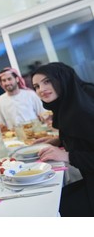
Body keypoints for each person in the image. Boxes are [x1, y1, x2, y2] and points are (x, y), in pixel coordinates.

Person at [31, 62, 94, 217]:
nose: (41, 90)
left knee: (50, 209)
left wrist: (67, 156)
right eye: (36, 86)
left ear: (62, 79)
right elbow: (85, 137)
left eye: (47, 81)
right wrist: (58, 140)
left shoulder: (83, 111)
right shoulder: (72, 102)